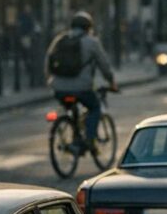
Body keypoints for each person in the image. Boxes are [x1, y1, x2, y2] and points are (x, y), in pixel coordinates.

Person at [45, 12, 117, 150]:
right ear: (89, 27)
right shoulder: (92, 42)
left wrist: (50, 81)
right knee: (94, 108)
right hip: (82, 88)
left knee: (71, 108)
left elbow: (48, 61)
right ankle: (90, 139)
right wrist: (111, 81)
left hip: (58, 88)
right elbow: (104, 65)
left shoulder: (60, 39)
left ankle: (74, 136)